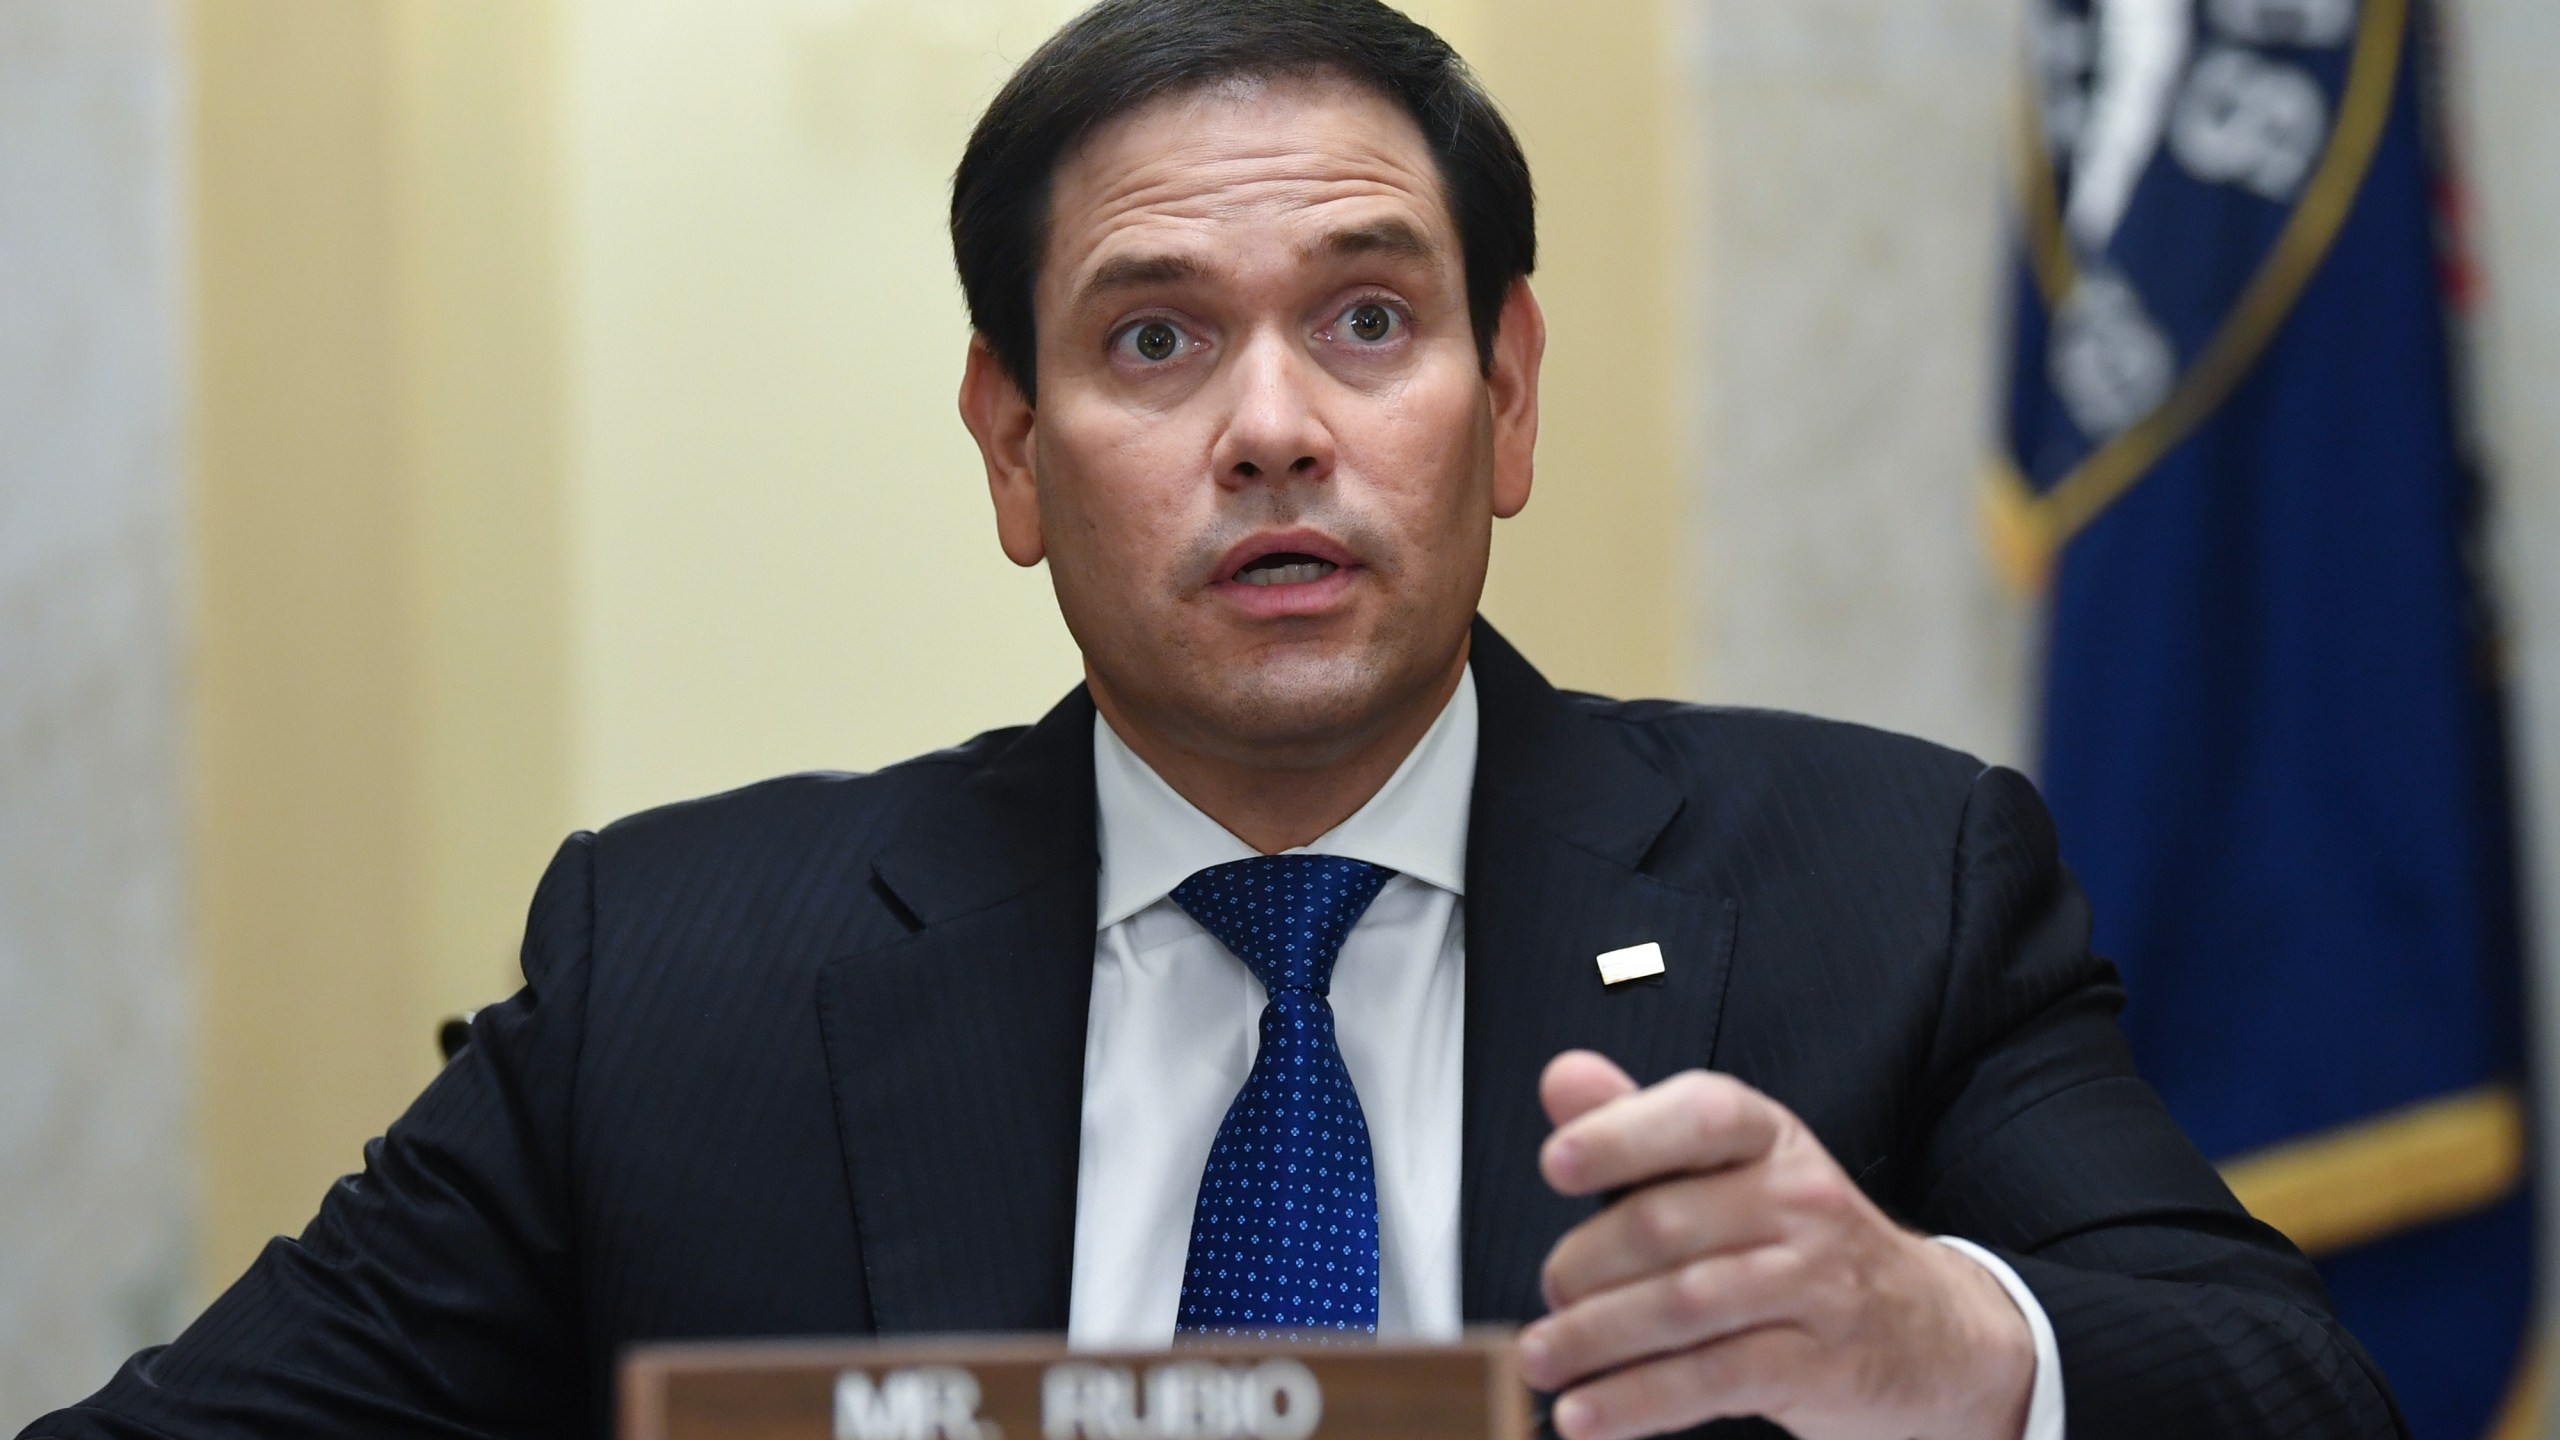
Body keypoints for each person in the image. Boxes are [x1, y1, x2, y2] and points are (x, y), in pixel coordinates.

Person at [23, 2, 2402, 1438]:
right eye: (1153, 340)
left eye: (1368, 320)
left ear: (1507, 403)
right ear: (1010, 447)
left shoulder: (1884, 892)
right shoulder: (679, 978)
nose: (1273, 427)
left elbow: (2295, 1394)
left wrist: (1942, 1346)